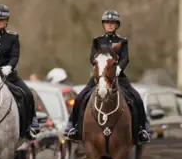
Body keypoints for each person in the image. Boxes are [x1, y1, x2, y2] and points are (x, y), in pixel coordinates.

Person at [64, 10, 150, 145]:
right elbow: (92, 57)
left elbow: (125, 58)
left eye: (112, 23)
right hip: (100, 76)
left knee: (136, 97)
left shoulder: (122, 41)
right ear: (104, 25)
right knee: (81, 97)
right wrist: (100, 67)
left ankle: (142, 129)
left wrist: (118, 69)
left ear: (117, 25)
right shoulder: (97, 41)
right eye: (107, 23)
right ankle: (73, 126)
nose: (110, 25)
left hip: (118, 76)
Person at [0, 4, 39, 139]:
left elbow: (15, 55)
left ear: (6, 21)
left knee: (27, 94)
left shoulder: (13, 37)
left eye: (2, 20)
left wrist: (10, 67)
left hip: (9, 76)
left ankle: (30, 125)